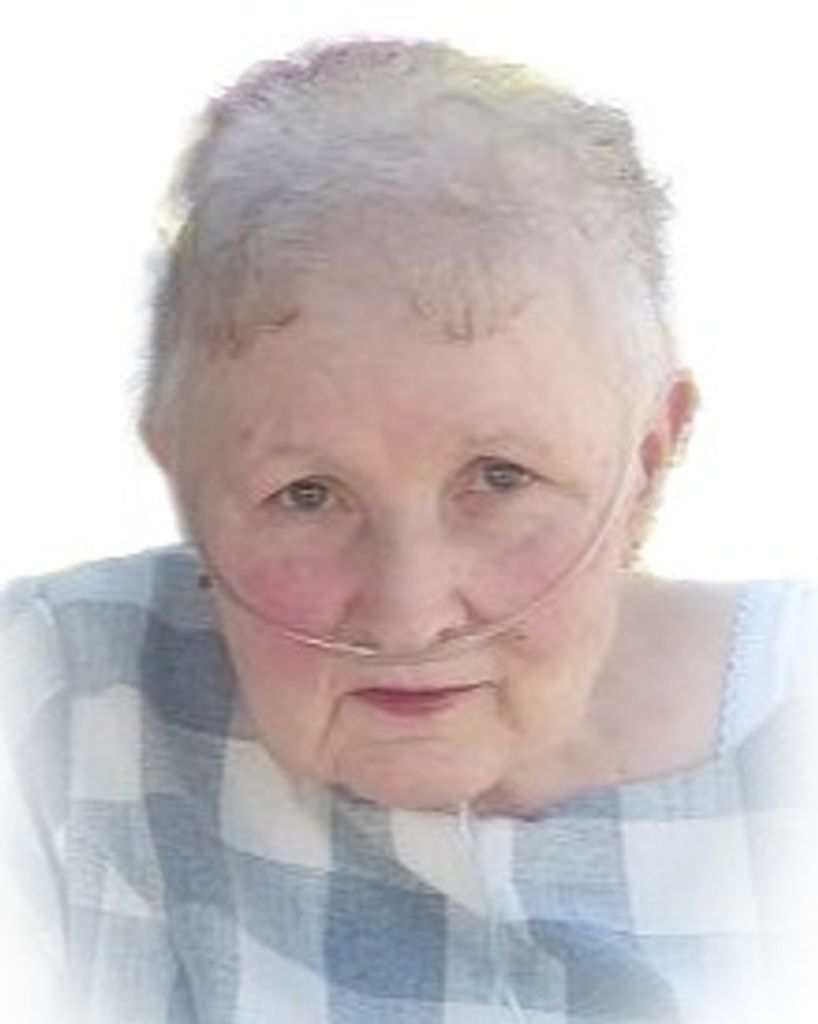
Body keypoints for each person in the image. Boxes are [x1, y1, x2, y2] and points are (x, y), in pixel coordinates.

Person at [1, 37, 815, 1024]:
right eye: (307, 494)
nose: (409, 615)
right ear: (182, 471)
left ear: (649, 455)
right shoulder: (51, 707)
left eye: (500, 479)